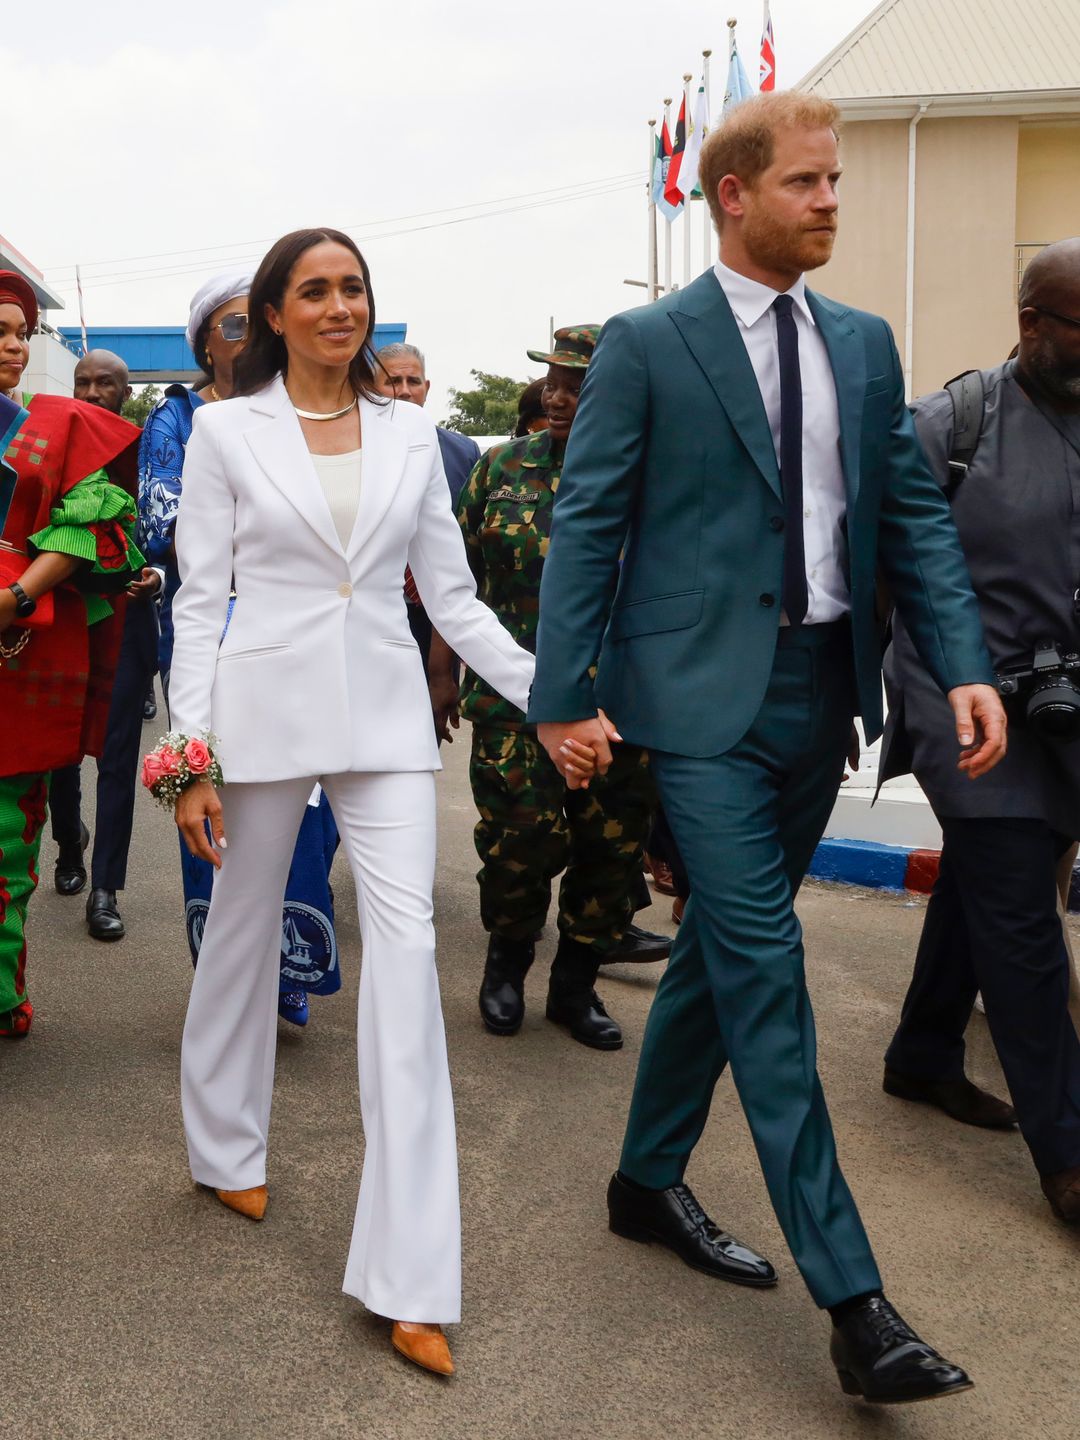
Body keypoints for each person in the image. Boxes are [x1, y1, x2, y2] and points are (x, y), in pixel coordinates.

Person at [527, 93, 1008, 1405]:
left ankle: (644, 1180)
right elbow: (588, 520)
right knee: (766, 966)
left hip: (822, 696)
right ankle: (857, 1304)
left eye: (838, 181)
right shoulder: (649, 345)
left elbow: (911, 519)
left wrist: (961, 664)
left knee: (720, 966)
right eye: (808, 182)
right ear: (732, 195)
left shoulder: (861, 343)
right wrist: (562, 695)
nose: (832, 201)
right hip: (695, 708)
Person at [161, 227, 536, 1376]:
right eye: (314, 291)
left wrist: (558, 694)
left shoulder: (416, 430)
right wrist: (190, 758)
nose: (339, 306)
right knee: (240, 929)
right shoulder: (228, 431)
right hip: (260, 714)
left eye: (353, 288)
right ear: (273, 313)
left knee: (408, 963)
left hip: (380, 723)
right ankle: (224, 1144)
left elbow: (455, 601)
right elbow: (197, 600)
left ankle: (410, 1276)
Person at [880, 237, 1080, 1226]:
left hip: (1067, 715)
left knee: (981, 881)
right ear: (1031, 322)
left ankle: (920, 1055)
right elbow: (878, 550)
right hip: (963, 701)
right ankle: (1071, 1156)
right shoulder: (953, 421)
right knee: (1023, 916)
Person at [453, 325, 670, 1050]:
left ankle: (574, 991)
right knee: (518, 843)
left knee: (609, 852)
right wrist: (435, 678)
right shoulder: (499, 470)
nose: (557, 393)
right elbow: (457, 587)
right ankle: (505, 970)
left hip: (624, 706)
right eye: (552, 378)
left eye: (576, 383)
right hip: (515, 703)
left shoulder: (653, 480)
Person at [140, 272, 338, 1025]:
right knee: (215, 794)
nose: (248, 339)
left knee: (309, 802)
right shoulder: (181, 417)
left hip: (307, 637)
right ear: (203, 344)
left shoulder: (304, 410)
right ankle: (229, 971)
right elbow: (166, 523)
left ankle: (288, 964)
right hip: (212, 636)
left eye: (256, 323)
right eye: (231, 327)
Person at [0, 272, 143, 1038]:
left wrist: (17, 597)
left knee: (4, 848)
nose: (16, 346)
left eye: (22, 332)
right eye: (0, 332)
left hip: (16, 659)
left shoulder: (54, 433)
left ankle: (1, 992)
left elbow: (94, 527)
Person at [44, 350, 163, 941]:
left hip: (126, 617)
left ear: (125, 392)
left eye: (106, 384)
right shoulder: (52, 446)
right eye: (82, 383)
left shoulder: (148, 452)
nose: (92, 394)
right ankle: (69, 842)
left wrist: (156, 575)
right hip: (62, 617)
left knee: (117, 756)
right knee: (60, 748)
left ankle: (105, 887)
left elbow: (173, 533)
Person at [373, 342, 480, 701]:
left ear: (427, 388)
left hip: (437, 618)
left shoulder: (461, 452)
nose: (404, 390)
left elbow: (462, 548)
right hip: (373, 616)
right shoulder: (351, 446)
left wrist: (442, 669)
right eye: (392, 381)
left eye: (413, 381)